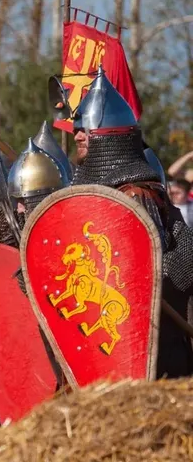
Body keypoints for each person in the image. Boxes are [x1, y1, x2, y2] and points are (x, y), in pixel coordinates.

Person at [69, 67, 193, 378]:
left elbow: (162, 268)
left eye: (85, 129)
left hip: (150, 347)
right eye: (77, 130)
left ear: (107, 138)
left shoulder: (136, 195)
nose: (78, 135)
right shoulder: (98, 194)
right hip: (111, 341)